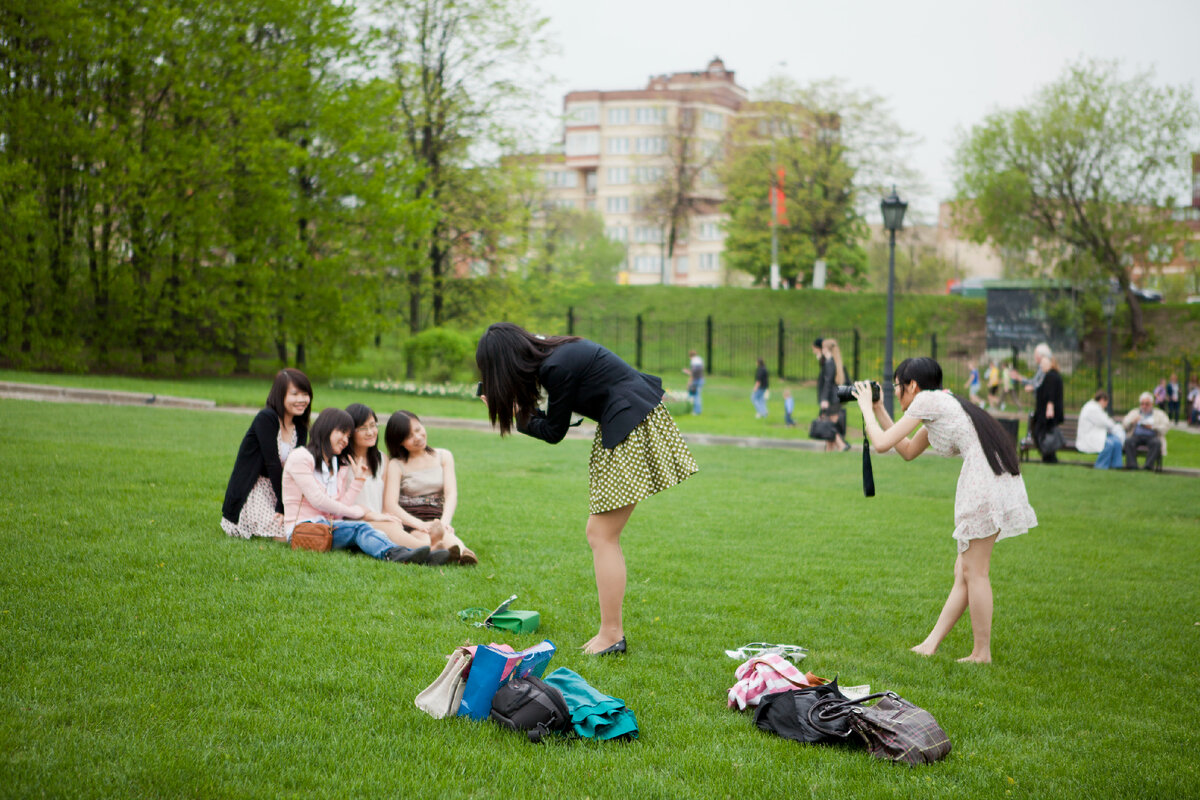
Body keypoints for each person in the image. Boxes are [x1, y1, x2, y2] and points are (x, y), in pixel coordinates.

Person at [476, 322, 698, 655]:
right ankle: (611, 632)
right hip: (631, 419)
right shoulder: (556, 357)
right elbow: (556, 421)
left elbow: (554, 431)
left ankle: (611, 634)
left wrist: (518, 414)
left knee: (601, 535)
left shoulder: (556, 366)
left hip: (630, 422)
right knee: (601, 534)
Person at [852, 357, 1037, 663]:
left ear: (912, 386)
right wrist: (878, 410)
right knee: (963, 571)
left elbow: (883, 443)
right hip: (994, 475)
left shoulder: (928, 401)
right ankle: (931, 643)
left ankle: (981, 653)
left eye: (897, 387)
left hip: (984, 480)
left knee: (976, 572)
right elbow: (908, 450)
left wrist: (862, 409)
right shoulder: (939, 403)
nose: (896, 393)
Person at [282, 407, 430, 564]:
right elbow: (318, 500)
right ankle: (392, 554)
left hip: (328, 527)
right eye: (342, 433)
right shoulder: (301, 457)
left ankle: (416, 554)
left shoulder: (334, 464)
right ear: (326, 429)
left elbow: (338, 508)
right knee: (360, 527)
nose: (346, 440)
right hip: (304, 530)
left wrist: (358, 482)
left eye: (348, 435)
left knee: (362, 528)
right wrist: (361, 511)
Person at [220, 368, 313, 541]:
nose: (302, 399)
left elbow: (296, 468)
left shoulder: (300, 427)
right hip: (254, 490)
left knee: (307, 523)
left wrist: (287, 504)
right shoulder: (267, 418)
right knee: (287, 533)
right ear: (280, 395)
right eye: (295, 394)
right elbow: (273, 464)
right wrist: (283, 506)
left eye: (305, 393)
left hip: (283, 490)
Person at [382, 410, 478, 565]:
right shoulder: (396, 465)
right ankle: (446, 552)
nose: (418, 437)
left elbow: (451, 493)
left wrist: (444, 523)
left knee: (444, 535)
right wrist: (419, 524)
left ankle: (462, 553)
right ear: (399, 442)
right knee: (423, 537)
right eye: (409, 436)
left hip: (436, 521)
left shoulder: (443, 456)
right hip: (411, 523)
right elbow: (390, 504)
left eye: (418, 429)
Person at [1077, 391, 1125, 470]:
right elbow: (1106, 422)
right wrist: (1116, 427)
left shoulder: (1096, 407)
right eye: (1106, 403)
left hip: (1097, 434)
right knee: (1108, 444)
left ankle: (1116, 466)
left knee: (1116, 441)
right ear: (1102, 400)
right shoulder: (1092, 408)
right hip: (1089, 436)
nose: (1106, 405)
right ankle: (1100, 467)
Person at [1122, 392, 1169, 470]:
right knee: (1129, 441)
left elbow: (1166, 426)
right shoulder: (1135, 412)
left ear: (1151, 404)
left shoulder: (1159, 414)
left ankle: (1148, 466)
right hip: (1137, 435)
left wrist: (1152, 427)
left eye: (1147, 404)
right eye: (1142, 404)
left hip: (1152, 435)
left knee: (1156, 443)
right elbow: (1124, 424)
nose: (1144, 406)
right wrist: (1133, 421)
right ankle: (1132, 466)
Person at [818, 339, 851, 452]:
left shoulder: (829, 363)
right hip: (837, 398)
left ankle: (841, 445)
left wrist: (824, 399)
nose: (821, 350)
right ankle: (829, 448)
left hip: (831, 399)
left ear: (826, 349)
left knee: (828, 423)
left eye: (822, 348)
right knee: (830, 423)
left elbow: (827, 382)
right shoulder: (836, 361)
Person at [1031, 354, 1064, 463]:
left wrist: (1049, 408)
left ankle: (1048, 456)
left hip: (1046, 413)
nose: (1041, 366)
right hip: (1047, 412)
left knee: (1041, 433)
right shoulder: (1053, 375)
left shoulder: (1050, 376)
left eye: (1043, 364)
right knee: (1046, 435)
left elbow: (1050, 393)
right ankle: (1049, 457)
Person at [682, 350, 704, 415]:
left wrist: (689, 382)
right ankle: (695, 410)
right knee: (696, 395)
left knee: (695, 395)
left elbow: (693, 374)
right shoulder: (699, 360)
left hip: (696, 380)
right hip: (700, 379)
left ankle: (696, 411)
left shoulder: (694, 361)